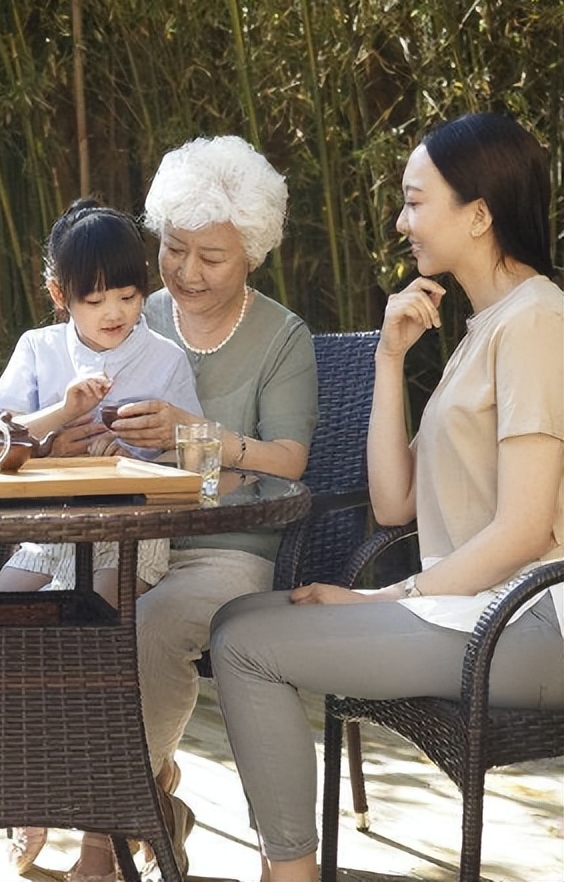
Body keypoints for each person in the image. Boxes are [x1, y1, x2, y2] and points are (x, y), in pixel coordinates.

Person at [210, 112, 564, 882]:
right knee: (234, 620)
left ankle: (290, 875)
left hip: (532, 620)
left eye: (414, 200)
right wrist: (388, 358)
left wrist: (383, 598)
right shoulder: (480, 329)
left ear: (479, 213)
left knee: (245, 645)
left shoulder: (537, 321)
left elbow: (527, 528)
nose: (401, 221)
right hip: (476, 608)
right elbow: (394, 503)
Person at [14, 136, 316, 881]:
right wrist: (65, 443)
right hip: (103, 532)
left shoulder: (282, 338)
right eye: (174, 250)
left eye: (210, 257)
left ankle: (102, 837)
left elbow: (289, 461)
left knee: (142, 628)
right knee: (17, 616)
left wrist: (205, 439)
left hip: (222, 547)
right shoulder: (123, 307)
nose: (185, 272)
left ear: (252, 250)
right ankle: (134, 797)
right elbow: (33, 416)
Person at [0, 199, 203, 878]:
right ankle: (31, 790)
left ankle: (81, 818)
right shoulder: (39, 349)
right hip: (48, 536)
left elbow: (192, 467)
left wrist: (156, 441)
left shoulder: (164, 359)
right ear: (60, 295)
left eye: (129, 294)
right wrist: (60, 421)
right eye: (95, 298)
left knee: (87, 641)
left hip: (132, 536)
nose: (114, 311)